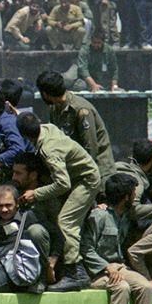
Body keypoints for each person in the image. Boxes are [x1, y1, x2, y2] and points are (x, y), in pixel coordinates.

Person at [17, 112, 101, 291]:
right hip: (77, 177)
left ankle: (75, 274)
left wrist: (36, 193)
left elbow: (63, 184)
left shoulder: (49, 151)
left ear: (25, 135)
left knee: (66, 222)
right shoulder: (47, 128)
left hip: (86, 180)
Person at [82, 174, 152, 304]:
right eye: (133, 193)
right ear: (126, 196)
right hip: (97, 271)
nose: (135, 197)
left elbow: (147, 214)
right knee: (121, 287)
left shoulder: (126, 215)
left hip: (119, 266)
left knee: (145, 286)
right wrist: (105, 266)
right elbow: (86, 248)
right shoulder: (99, 216)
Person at [36, 71, 114, 180]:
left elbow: (90, 148)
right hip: (76, 168)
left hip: (97, 172)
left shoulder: (81, 110)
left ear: (45, 94)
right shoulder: (55, 108)